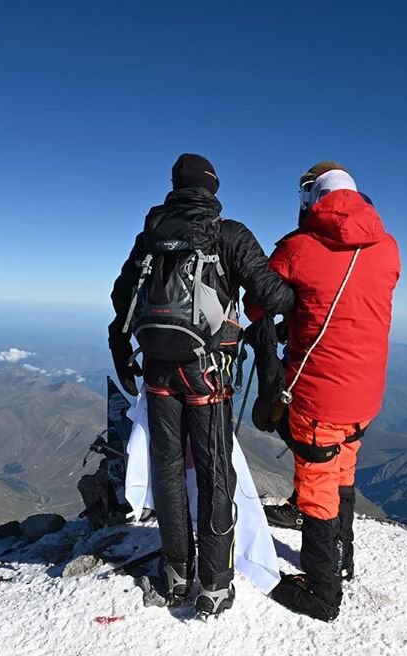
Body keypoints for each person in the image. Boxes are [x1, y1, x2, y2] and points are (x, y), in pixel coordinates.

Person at [109, 153, 295, 617]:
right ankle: (214, 583)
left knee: (167, 469)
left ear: (175, 185)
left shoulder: (150, 236)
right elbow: (274, 295)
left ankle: (175, 572)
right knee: (214, 474)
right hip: (206, 373)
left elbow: (120, 296)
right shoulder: (227, 234)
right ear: (213, 189)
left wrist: (122, 349)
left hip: (155, 368)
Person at [248, 161, 400, 621]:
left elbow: (257, 303)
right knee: (343, 472)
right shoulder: (389, 247)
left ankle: (322, 591)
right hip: (366, 395)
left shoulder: (298, 247)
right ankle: (344, 562)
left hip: (319, 397)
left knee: (316, 487)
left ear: (310, 197)